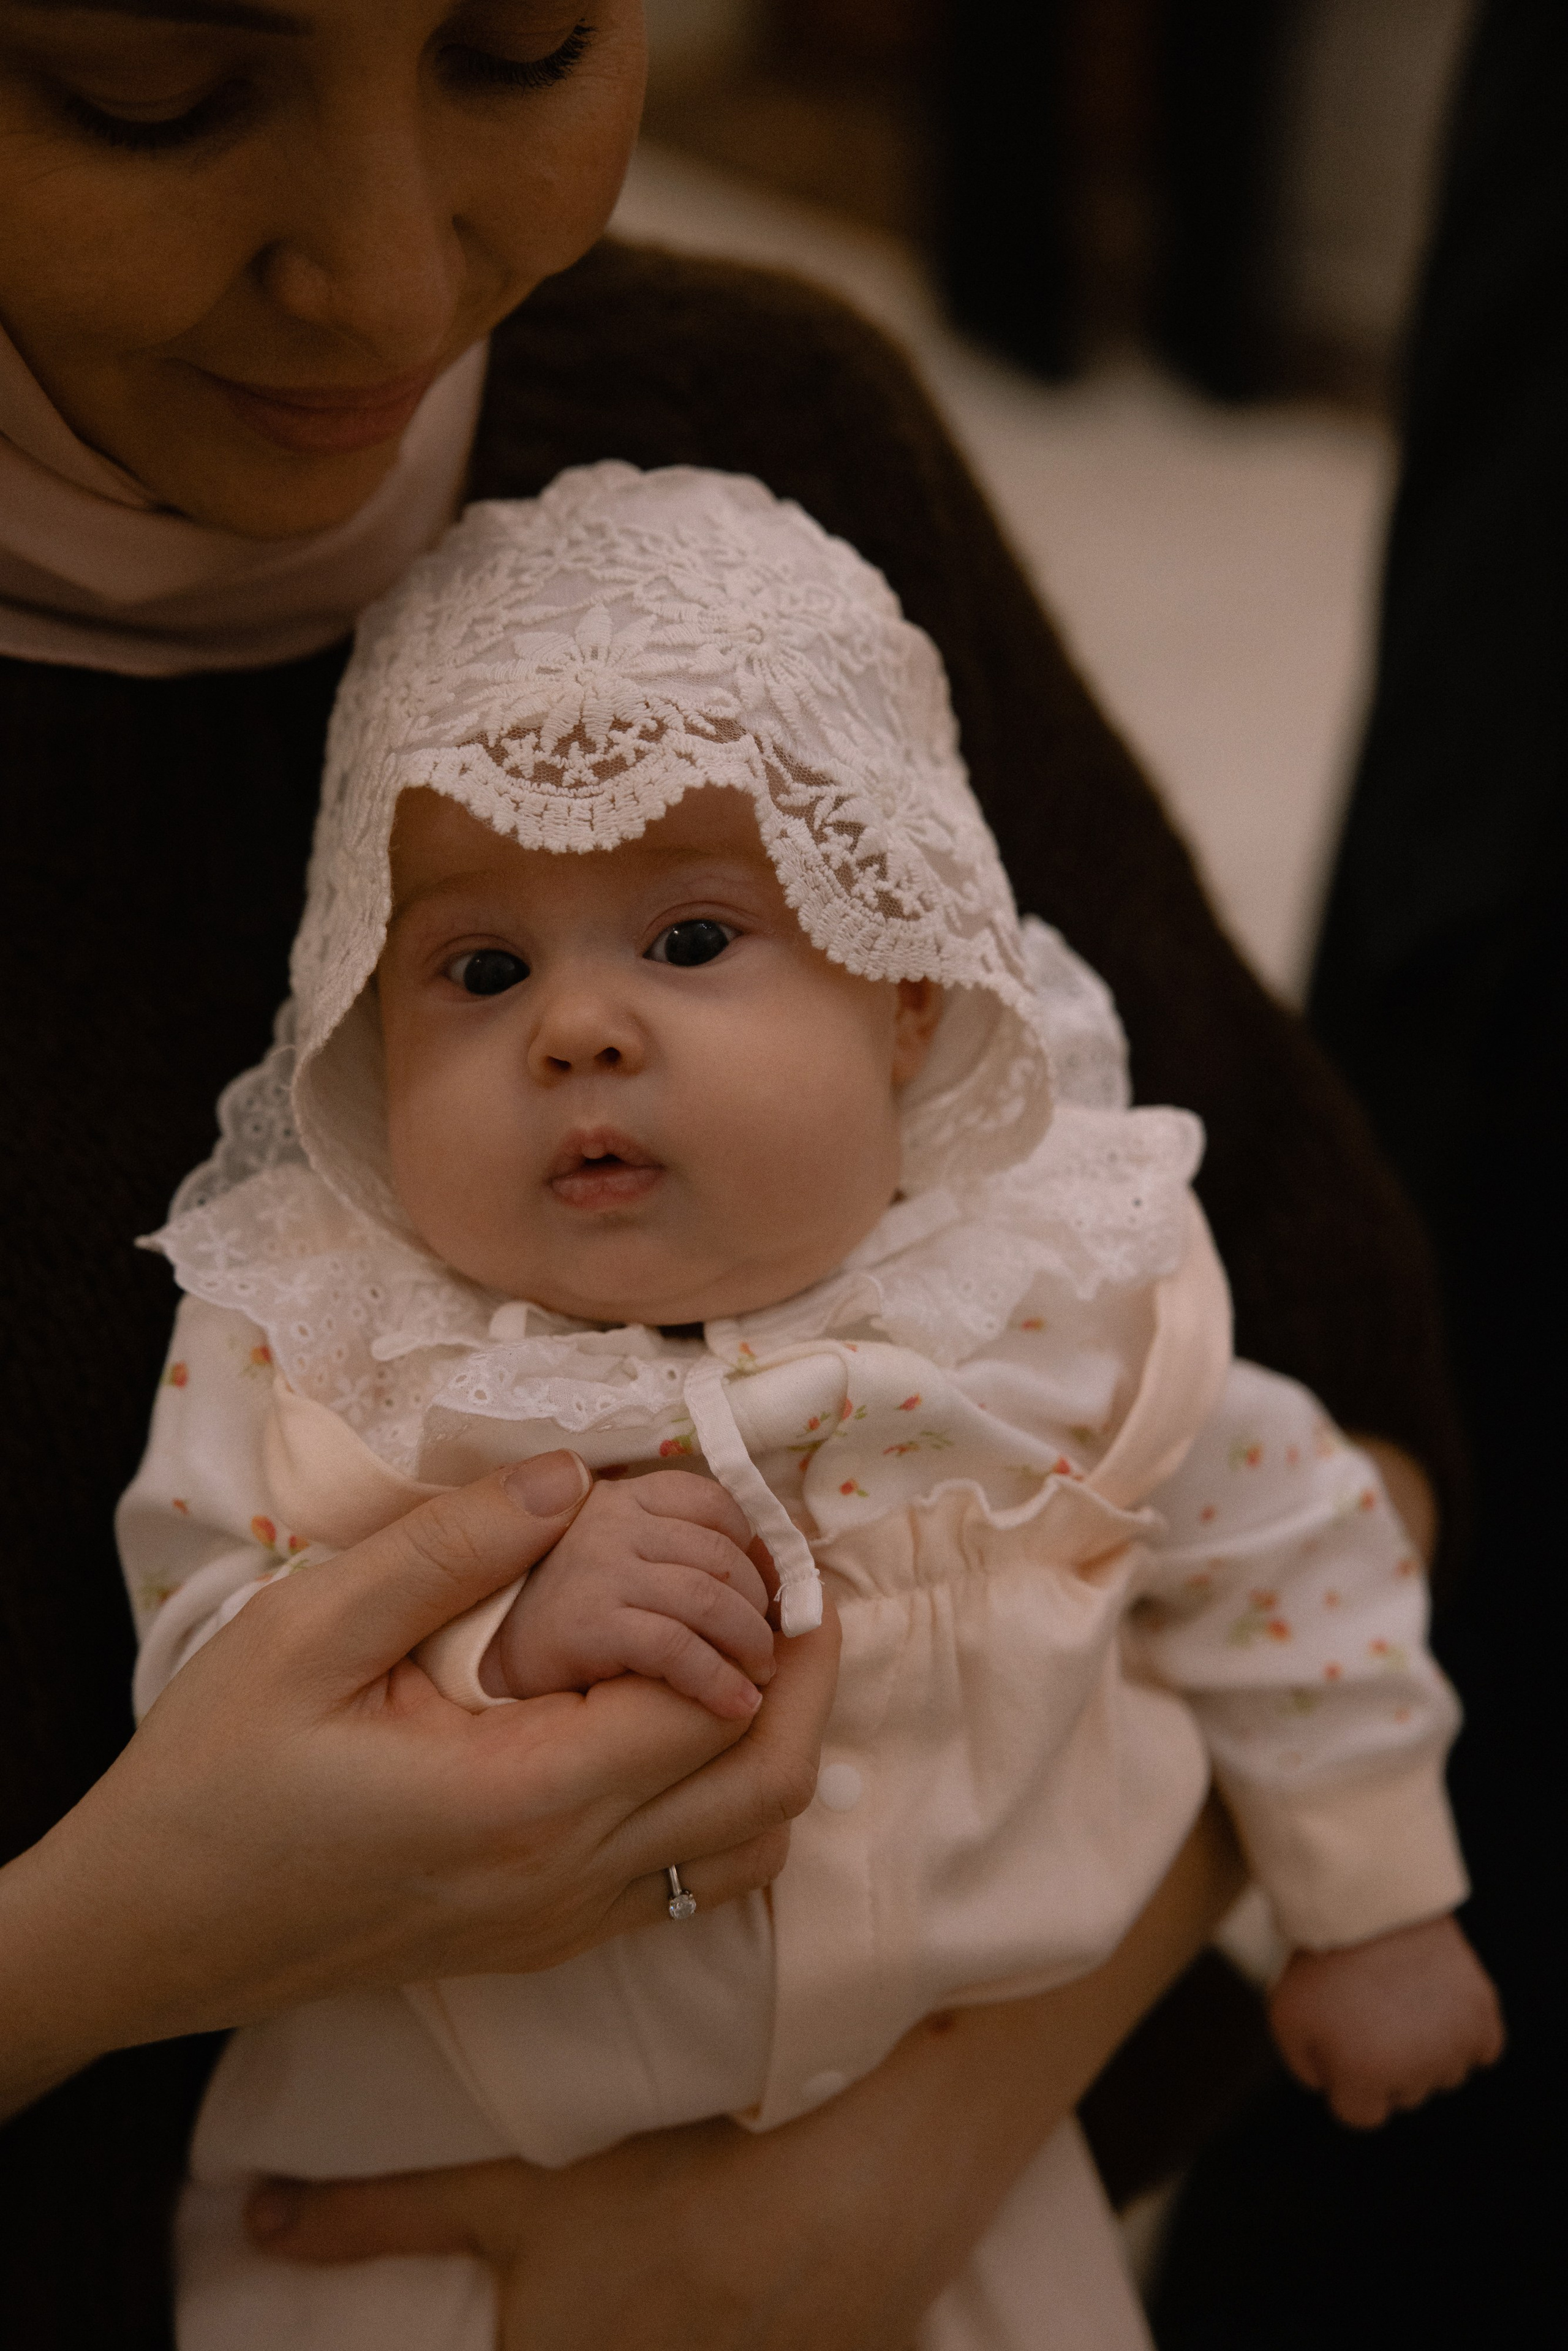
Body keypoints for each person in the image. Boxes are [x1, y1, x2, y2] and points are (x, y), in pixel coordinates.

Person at [0, 4, 1462, 2340]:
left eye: (523, 43)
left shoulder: (765, 496)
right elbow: (225, 1589)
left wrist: (912, 2161)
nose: (386, 287)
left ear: (916, 1007)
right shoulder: (339, 1333)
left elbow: (1331, 1456)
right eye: (149, 90)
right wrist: (170, 1890)